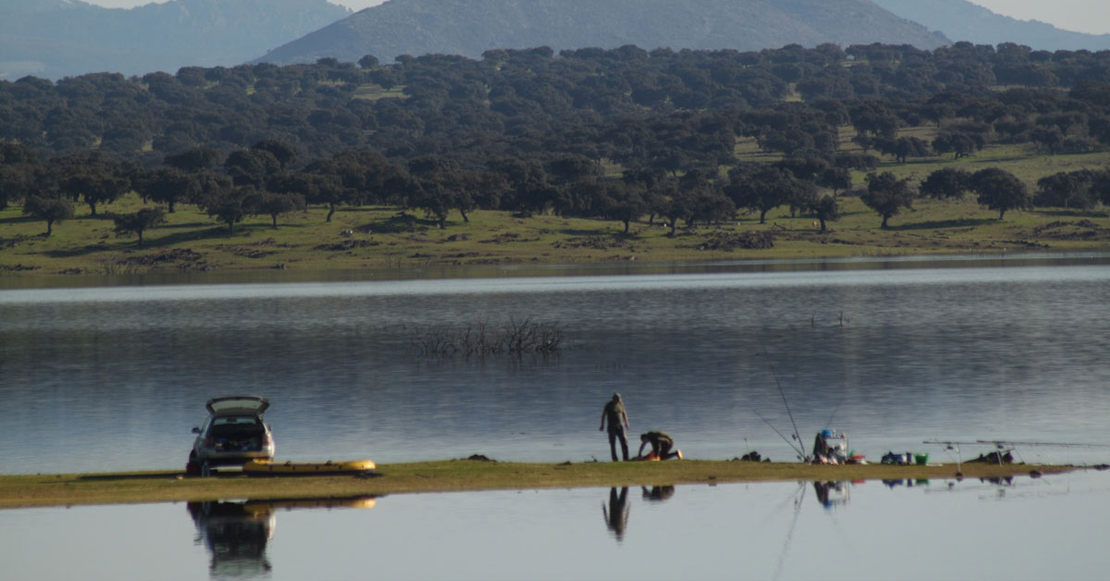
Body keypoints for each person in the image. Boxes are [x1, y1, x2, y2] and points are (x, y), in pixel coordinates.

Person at [599, 393, 630, 461]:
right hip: (611, 426)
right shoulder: (609, 405)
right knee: (612, 443)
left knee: (624, 441)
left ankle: (626, 458)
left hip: (620, 426)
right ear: (613, 399)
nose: (618, 400)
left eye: (619, 399)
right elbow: (603, 415)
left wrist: (626, 423)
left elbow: (624, 413)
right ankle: (614, 458)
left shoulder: (621, 404)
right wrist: (602, 425)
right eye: (617, 399)